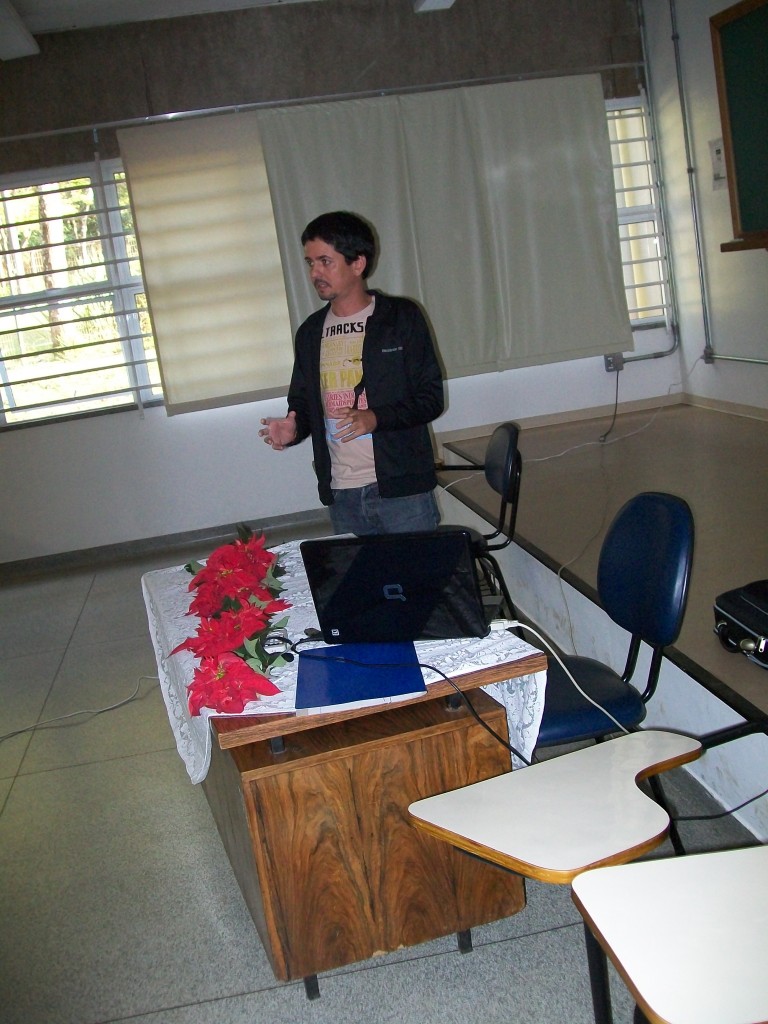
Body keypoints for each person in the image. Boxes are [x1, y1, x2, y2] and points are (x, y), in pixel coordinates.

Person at [259, 211, 445, 536]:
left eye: (325, 261)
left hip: (403, 491)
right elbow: (303, 404)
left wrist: (375, 418)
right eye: (310, 263)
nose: (315, 272)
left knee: (420, 586)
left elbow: (430, 400)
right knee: (363, 587)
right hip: (342, 494)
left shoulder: (400, 318)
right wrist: (293, 428)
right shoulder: (310, 332)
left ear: (357, 264)